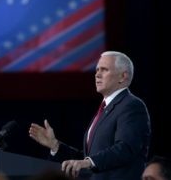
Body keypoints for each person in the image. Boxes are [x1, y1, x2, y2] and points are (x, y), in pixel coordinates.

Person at [29, 51, 151, 179]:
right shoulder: (105, 109)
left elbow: (126, 148)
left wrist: (89, 162)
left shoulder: (131, 106)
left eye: (104, 70)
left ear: (123, 76)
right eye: (97, 70)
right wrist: (55, 145)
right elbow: (87, 158)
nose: (97, 74)